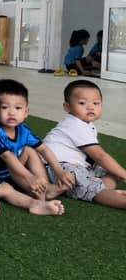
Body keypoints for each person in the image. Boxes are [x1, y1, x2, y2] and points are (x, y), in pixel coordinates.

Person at [42, 80, 126, 209]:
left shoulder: (86, 125)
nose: (90, 107)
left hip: (76, 167)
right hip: (59, 168)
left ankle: (97, 189)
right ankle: (99, 192)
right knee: (113, 172)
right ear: (67, 107)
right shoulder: (74, 125)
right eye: (82, 103)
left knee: (112, 171)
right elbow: (100, 156)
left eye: (96, 103)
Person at [0, 79, 73, 201]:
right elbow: (8, 158)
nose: (11, 112)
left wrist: (59, 171)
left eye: (18, 108)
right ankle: (37, 193)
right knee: (13, 163)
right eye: (4, 107)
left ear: (26, 112)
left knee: (29, 150)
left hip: (15, 172)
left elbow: (43, 149)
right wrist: (30, 177)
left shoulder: (23, 129)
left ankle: (45, 186)